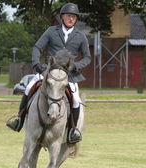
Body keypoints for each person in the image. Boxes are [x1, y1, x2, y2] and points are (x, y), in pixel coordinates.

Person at [6, 2, 91, 144]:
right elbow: (37, 48)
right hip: (49, 71)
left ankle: (73, 131)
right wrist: (36, 64)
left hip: (69, 75)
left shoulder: (80, 36)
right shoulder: (51, 31)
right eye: (69, 16)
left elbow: (88, 57)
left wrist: (76, 66)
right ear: (62, 17)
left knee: (75, 99)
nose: (71, 19)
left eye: (74, 17)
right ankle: (19, 120)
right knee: (28, 88)